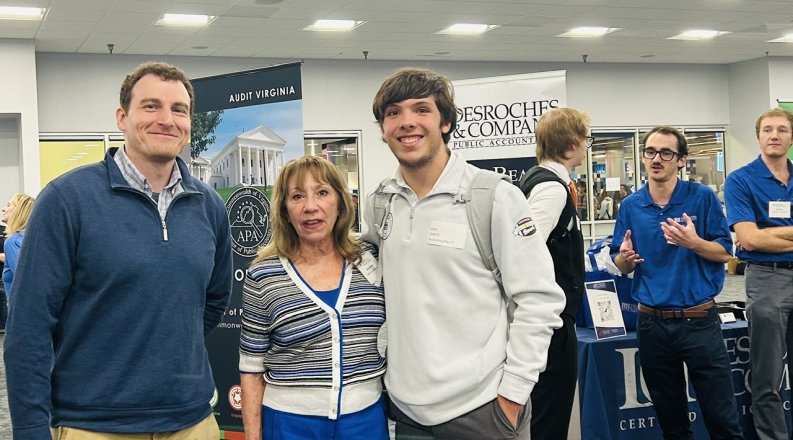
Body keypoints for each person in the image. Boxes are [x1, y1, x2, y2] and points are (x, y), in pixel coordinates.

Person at [3, 61, 232, 439]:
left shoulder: (208, 205)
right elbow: (28, 329)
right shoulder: (66, 200)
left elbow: (212, 302)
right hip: (94, 426)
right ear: (122, 117)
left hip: (193, 422)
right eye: (151, 106)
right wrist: (30, 431)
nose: (166, 119)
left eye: (179, 110)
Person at [363, 67, 565, 440]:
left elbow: (539, 300)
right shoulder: (380, 203)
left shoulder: (494, 197)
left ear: (446, 122)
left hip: (483, 410)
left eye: (421, 110)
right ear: (383, 129)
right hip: (404, 411)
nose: (407, 122)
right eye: (393, 113)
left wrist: (513, 395)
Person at [239, 155, 387, 440]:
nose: (310, 207)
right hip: (289, 425)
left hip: (365, 421)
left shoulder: (370, 259)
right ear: (284, 209)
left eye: (322, 192)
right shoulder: (263, 275)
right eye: (297, 196)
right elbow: (251, 371)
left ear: (341, 202)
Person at [611, 126, 743, 439]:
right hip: (651, 325)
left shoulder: (701, 198)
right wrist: (625, 260)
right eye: (650, 151)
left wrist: (694, 242)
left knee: (722, 420)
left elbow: (726, 253)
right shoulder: (631, 205)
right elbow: (619, 261)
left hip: (698, 321)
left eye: (666, 153)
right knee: (672, 425)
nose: (656, 159)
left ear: (681, 160)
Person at [724, 107, 793, 440]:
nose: (774, 135)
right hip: (767, 279)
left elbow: (759, 236)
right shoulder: (740, 180)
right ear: (758, 137)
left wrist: (770, 234)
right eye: (768, 130)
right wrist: (762, 237)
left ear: (791, 138)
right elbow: (748, 238)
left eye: (782, 129)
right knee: (767, 378)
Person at [520, 108, 589, 440]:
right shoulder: (552, 189)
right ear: (572, 143)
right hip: (552, 323)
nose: (588, 146)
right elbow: (522, 248)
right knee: (550, 415)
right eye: (587, 139)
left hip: (551, 319)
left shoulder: (543, 180)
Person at [2, 193, 35, 302]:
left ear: (19, 210)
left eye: (8, 205)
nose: (4, 209)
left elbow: (25, 280)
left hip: (24, 308)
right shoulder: (34, 238)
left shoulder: (12, 242)